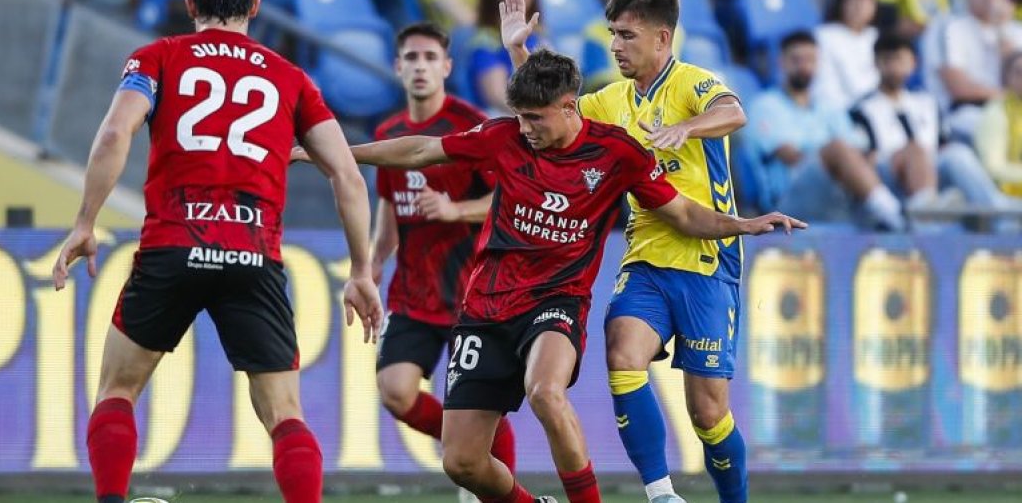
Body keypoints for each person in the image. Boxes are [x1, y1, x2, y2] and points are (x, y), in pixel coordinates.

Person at [297, 50, 804, 503]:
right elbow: (419, 151)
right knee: (462, 462)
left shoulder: (616, 153)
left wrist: (744, 224)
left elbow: (684, 215)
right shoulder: (503, 137)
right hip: (487, 307)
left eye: (535, 118)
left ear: (569, 108)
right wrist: (338, 156)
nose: (525, 129)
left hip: (557, 301)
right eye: (520, 117)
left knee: (545, 391)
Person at [50, 0, 383, 503]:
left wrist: (86, 221)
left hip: (172, 246)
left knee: (118, 390)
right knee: (284, 414)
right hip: (253, 256)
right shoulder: (289, 77)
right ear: (255, 5)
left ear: (189, 4)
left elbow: (114, 134)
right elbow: (347, 175)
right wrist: (361, 269)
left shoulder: (158, 57)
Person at [499, 0, 753, 503]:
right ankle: (661, 493)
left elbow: (735, 112)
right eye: (613, 33)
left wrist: (690, 128)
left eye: (627, 35)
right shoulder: (611, 99)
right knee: (622, 352)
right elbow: (550, 109)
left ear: (663, 38)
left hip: (706, 261)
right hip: (645, 257)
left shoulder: (692, 83)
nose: (615, 46)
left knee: (708, 414)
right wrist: (518, 50)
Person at [370, 22, 517, 485]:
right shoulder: (388, 132)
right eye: (411, 58)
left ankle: (494, 485)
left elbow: (507, 198)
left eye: (430, 58)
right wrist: (370, 265)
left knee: (481, 406)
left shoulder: (469, 126)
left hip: (471, 295)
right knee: (395, 391)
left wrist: (455, 210)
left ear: (447, 67)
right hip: (414, 292)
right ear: (398, 67)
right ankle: (469, 452)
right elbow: (390, 206)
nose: (420, 67)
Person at [748, 31, 909, 231]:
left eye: (810, 60)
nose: (804, 66)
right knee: (838, 149)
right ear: (782, 62)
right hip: (786, 203)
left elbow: (858, 151)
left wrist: (852, 163)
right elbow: (791, 156)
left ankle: (921, 213)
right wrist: (835, 158)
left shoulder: (829, 107)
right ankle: (895, 217)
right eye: (796, 60)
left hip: (836, 192)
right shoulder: (765, 105)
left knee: (905, 153)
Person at [851, 33, 1016, 219]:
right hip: (889, 174)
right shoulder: (861, 109)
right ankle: (927, 212)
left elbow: (942, 145)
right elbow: (867, 158)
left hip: (931, 170)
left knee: (957, 152)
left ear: (913, 63)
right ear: (876, 64)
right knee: (915, 150)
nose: (894, 67)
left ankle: (996, 212)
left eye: (900, 60)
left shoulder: (927, 103)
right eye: (887, 60)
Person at [923, 0, 1022, 140]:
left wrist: (1001, 30)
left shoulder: (1015, 30)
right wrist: (1010, 98)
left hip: (1011, 110)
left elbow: (1017, 76)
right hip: (964, 113)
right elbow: (959, 88)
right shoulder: (947, 26)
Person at [466, 0, 546, 115]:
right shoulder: (486, 40)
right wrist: (538, 118)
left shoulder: (539, 37)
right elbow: (497, 96)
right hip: (499, 118)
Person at [812, 0, 881, 110]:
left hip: (875, 112)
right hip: (839, 111)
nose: (860, 5)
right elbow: (853, 86)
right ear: (841, 2)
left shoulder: (876, 36)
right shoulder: (824, 36)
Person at [975, 52, 1022, 197]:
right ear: (1007, 78)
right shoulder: (996, 112)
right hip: (1006, 199)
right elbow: (993, 167)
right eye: (1019, 73)